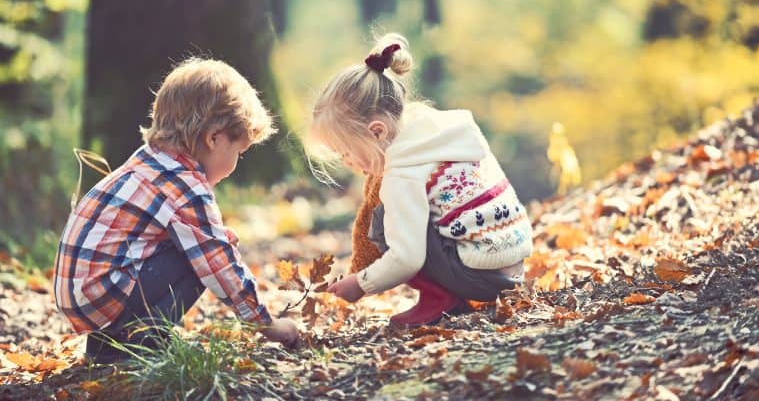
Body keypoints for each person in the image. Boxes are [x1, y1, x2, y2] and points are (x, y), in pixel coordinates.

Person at [53, 58, 299, 363]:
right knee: (205, 255)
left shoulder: (149, 159)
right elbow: (219, 263)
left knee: (201, 245)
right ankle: (143, 340)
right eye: (239, 152)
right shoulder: (185, 186)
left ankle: (107, 344)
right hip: (102, 293)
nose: (237, 163)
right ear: (213, 138)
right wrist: (266, 324)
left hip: (82, 294)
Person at [310, 33, 534, 326]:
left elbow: (407, 258)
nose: (348, 163)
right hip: (512, 268)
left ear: (377, 132)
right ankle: (449, 292)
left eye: (345, 153)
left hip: (480, 277)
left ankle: (441, 299)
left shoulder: (403, 173)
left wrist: (361, 283)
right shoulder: (442, 133)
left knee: (382, 218)